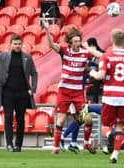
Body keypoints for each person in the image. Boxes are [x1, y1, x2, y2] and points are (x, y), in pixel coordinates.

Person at [42, 18, 102, 154]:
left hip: (78, 93)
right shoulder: (65, 51)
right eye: (75, 41)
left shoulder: (84, 53)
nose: (77, 44)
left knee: (87, 119)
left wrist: (89, 49)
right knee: (61, 119)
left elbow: (100, 56)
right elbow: (52, 45)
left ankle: (86, 143)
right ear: (70, 42)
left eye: (79, 41)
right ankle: (56, 147)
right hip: (64, 91)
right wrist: (47, 30)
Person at [0, 35, 38, 152]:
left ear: (22, 44)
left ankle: (18, 145)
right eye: (15, 44)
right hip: (7, 93)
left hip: (22, 94)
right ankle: (9, 144)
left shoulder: (27, 57)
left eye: (19, 44)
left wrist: (33, 89)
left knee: (21, 119)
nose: (17, 46)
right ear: (11, 45)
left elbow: (34, 73)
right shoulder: (3, 56)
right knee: (8, 118)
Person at [89, 28, 124, 164]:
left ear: (112, 40)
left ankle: (109, 135)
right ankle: (114, 155)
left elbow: (100, 75)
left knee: (106, 125)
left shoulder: (107, 56)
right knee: (121, 126)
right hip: (123, 96)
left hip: (110, 96)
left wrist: (92, 72)